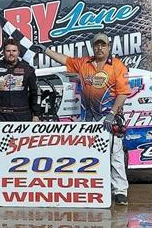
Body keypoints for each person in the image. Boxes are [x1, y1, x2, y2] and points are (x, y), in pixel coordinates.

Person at [42, 32, 130, 205]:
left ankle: (120, 191)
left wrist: (112, 114)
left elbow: (123, 93)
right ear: (92, 46)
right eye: (97, 45)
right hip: (88, 118)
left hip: (108, 117)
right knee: (90, 154)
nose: (99, 48)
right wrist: (46, 51)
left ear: (109, 47)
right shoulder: (84, 63)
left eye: (103, 45)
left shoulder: (118, 66)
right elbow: (65, 60)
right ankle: (96, 187)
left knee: (115, 155)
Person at [0, 38, 40, 123]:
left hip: (22, 114)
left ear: (19, 52)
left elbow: (35, 92)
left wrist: (36, 114)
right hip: (0, 114)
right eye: (8, 51)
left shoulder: (27, 69)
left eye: (14, 51)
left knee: (20, 137)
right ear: (3, 52)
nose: (11, 53)